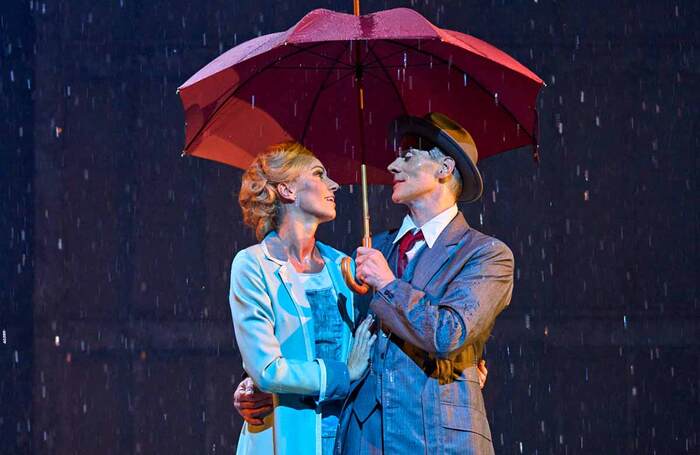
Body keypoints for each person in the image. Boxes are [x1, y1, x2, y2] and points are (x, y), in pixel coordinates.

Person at [337, 112, 514, 454]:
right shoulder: (376, 251)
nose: (392, 166)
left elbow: (448, 333)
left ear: (445, 168)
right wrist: (265, 388)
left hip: (437, 439)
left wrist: (388, 285)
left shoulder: (486, 254)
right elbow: (336, 333)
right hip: (366, 439)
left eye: (407, 157)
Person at [229, 141, 376, 455]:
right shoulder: (253, 265)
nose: (333, 185)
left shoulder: (345, 267)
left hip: (345, 436)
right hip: (284, 438)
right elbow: (267, 368)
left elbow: (373, 346)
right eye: (320, 174)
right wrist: (342, 374)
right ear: (287, 190)